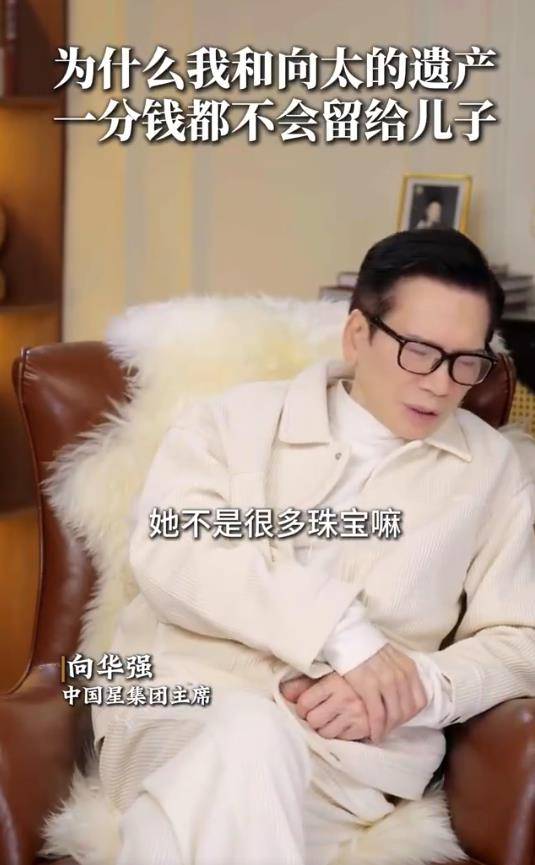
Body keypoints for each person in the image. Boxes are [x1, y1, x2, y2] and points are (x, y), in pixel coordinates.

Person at [93, 228, 535, 865]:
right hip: (179, 717)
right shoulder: (232, 421)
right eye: (418, 352)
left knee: (187, 822)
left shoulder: (492, 470)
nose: (441, 384)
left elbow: (521, 638)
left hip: (347, 764)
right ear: (357, 335)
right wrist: (343, 634)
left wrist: (417, 686)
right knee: (249, 736)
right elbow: (174, 551)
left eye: (466, 362)